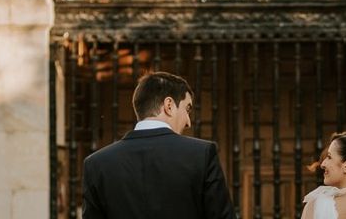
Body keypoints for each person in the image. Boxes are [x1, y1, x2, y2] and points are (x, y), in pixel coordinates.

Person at [82, 71, 235, 219]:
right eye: (187, 109)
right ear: (169, 105)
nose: (188, 122)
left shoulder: (96, 164)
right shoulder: (202, 154)